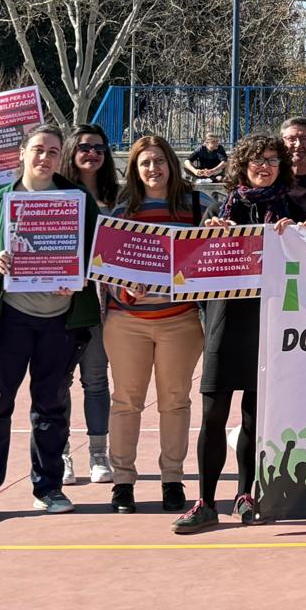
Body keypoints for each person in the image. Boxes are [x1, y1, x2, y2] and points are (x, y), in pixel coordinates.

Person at [173, 133, 306, 534]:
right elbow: (192, 271)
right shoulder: (220, 210)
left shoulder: (294, 210)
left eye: (272, 159)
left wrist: (303, 234)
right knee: (214, 414)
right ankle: (204, 501)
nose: (265, 165)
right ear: (242, 165)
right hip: (224, 323)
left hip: (271, 325)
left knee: (255, 418)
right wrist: (209, 235)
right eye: (257, 159)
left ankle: (246, 494)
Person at [0, 126, 101, 522]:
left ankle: (48, 488)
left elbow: (97, 254)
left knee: (51, 408)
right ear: (22, 154)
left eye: (53, 152)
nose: (45, 158)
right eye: (38, 149)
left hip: (59, 322)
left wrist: (81, 278)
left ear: (60, 158)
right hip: (6, 321)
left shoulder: (78, 202)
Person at [100, 134, 204, 514]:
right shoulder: (119, 209)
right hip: (127, 322)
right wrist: (122, 285)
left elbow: (218, 250)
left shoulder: (195, 204)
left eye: (159, 160)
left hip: (180, 322)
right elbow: (102, 266)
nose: (153, 168)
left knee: (175, 402)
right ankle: (123, 482)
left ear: (171, 164)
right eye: (145, 162)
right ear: (134, 168)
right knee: (127, 401)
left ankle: (172, 480)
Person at [59, 124, 119, 486]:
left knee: (96, 380)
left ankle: (99, 454)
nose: (92, 153)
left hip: (105, 307)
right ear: (71, 150)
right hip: (63, 303)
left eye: (99, 147)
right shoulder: (57, 193)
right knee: (57, 382)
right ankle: (61, 453)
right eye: (84, 146)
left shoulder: (118, 198)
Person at [278, 116, 306, 220]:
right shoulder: (270, 178)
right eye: (291, 139)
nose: (298, 145)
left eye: (304, 139)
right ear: (281, 142)